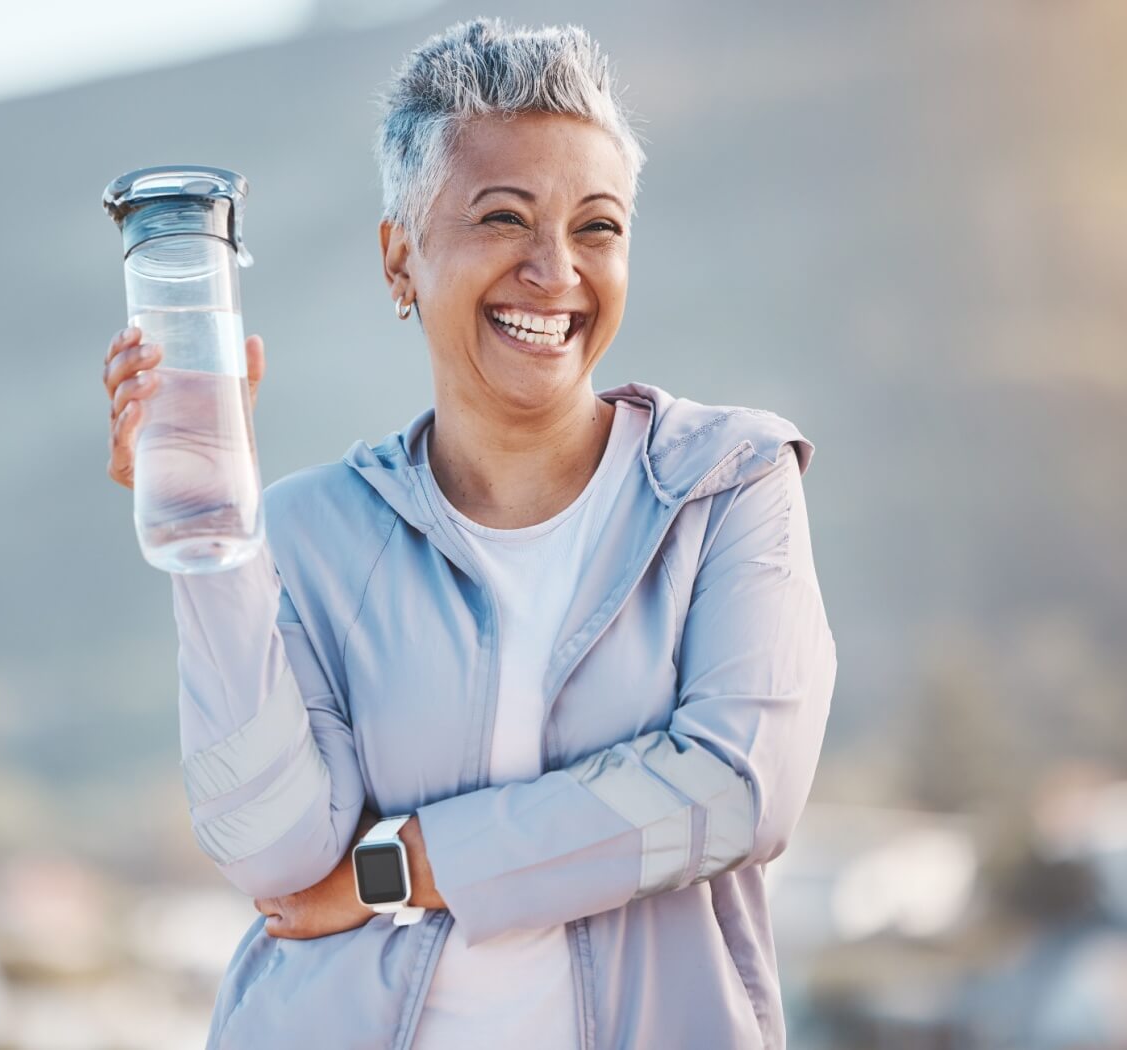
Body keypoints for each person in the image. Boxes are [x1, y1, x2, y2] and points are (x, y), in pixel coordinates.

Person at [100, 17, 836, 1050]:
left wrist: (400, 867)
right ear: (400, 256)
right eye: (502, 217)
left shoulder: (724, 484)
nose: (555, 270)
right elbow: (273, 853)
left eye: (597, 227)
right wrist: (214, 529)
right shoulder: (306, 529)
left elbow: (732, 788)